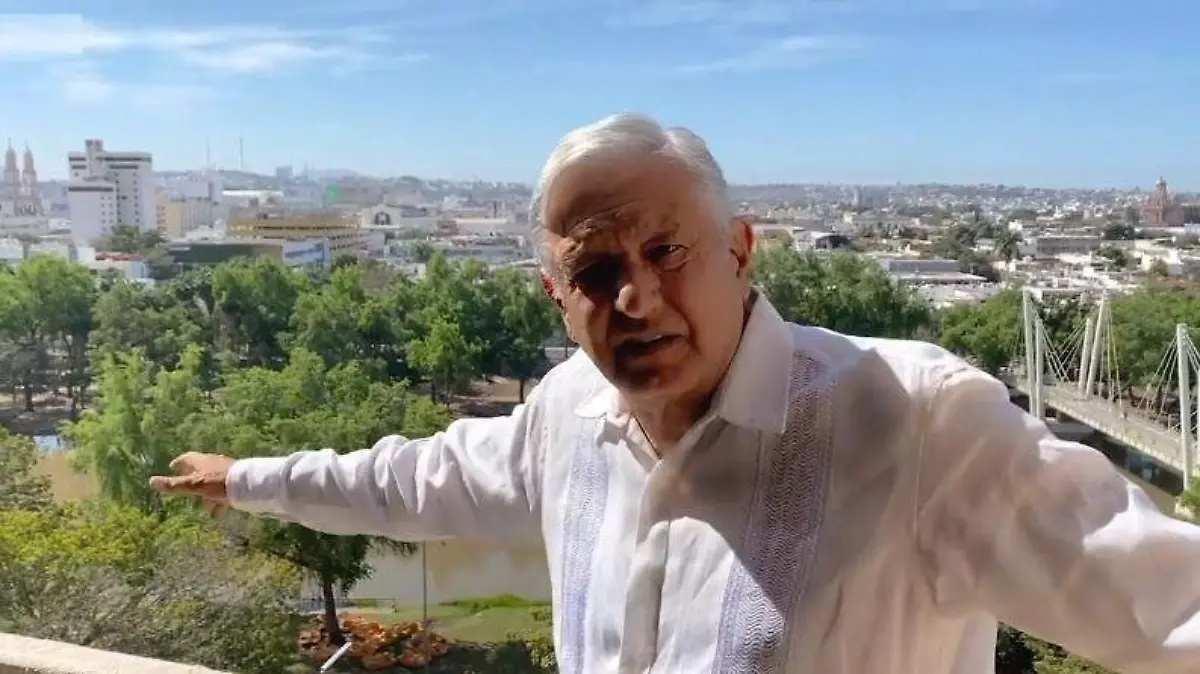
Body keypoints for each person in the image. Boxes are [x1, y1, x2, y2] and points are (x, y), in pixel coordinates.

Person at [152, 113, 1200, 674]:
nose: (637, 296)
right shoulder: (567, 413)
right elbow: (416, 481)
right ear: (556, 295)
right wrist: (246, 478)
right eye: (596, 269)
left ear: (740, 248)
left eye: (666, 250)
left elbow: (1164, 605)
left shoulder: (917, 419)